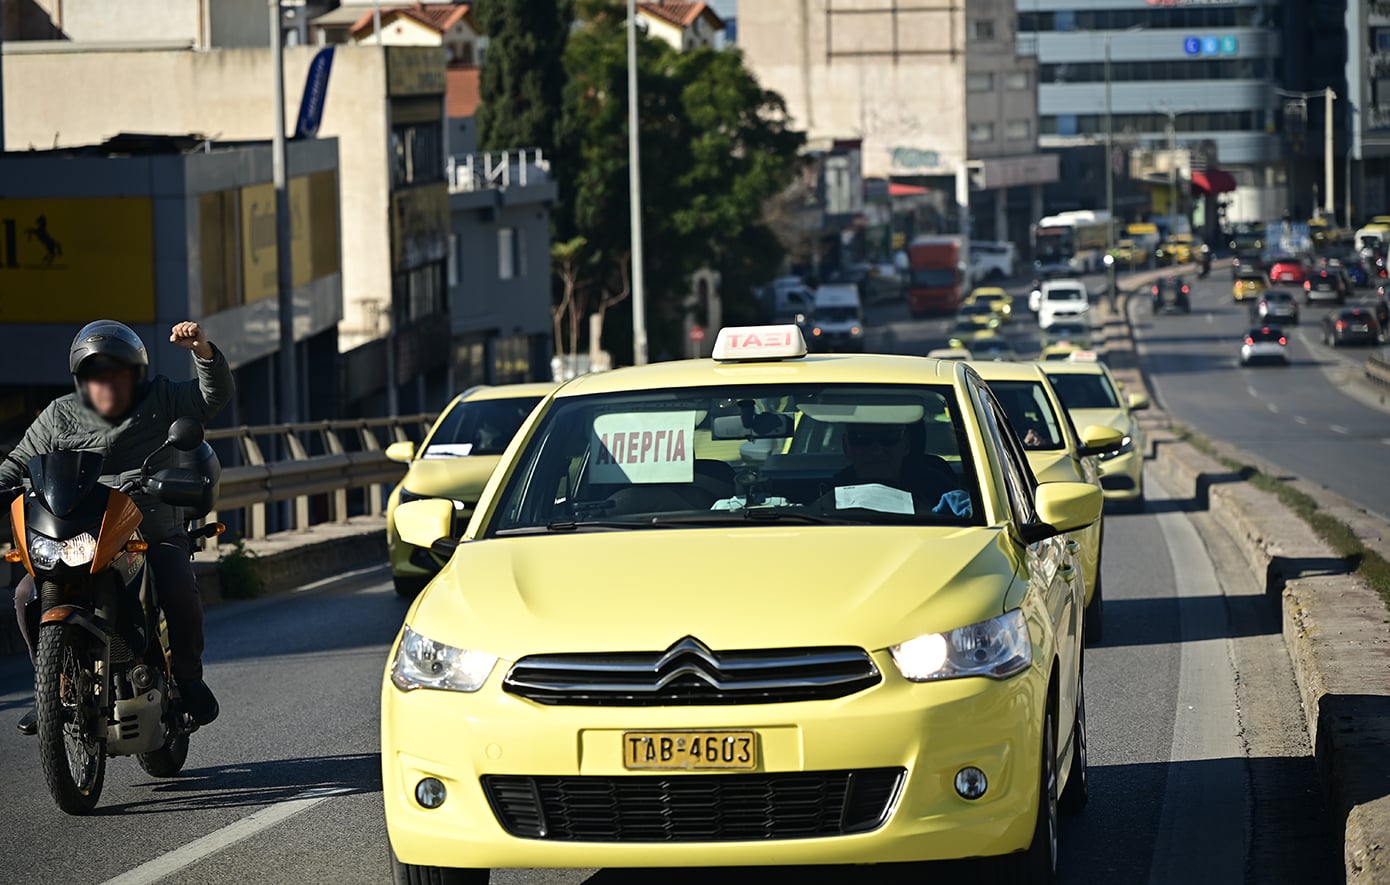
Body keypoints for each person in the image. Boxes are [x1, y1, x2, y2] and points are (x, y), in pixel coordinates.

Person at [4, 320, 235, 735]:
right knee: (25, 594)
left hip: (149, 531)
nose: (106, 384)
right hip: (80, 534)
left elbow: (211, 397)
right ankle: (53, 690)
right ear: (81, 380)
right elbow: (17, 464)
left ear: (135, 374)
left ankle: (189, 679)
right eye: (96, 376)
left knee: (178, 586)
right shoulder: (58, 415)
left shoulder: (161, 398)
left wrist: (202, 350)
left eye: (117, 374)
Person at [826, 423, 966, 516]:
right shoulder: (829, 496)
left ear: (906, 443)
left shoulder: (937, 488)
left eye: (889, 438)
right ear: (846, 446)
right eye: (861, 439)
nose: (876, 451)